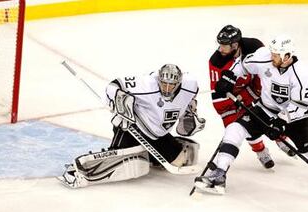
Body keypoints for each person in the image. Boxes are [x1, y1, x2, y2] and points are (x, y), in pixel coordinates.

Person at [195, 34, 308, 199]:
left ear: (287, 56)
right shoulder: (264, 57)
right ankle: (219, 174)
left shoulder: (303, 73)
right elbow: (243, 65)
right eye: (272, 52)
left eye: (276, 54)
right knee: (234, 129)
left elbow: (304, 104)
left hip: (296, 117)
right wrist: (229, 77)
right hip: (265, 109)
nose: (272, 56)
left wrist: (281, 122)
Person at [58, 64, 206, 188]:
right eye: (164, 83)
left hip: (157, 135)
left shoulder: (190, 84)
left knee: (182, 159)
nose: (167, 88)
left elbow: (191, 96)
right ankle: (77, 172)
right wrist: (120, 102)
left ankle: (147, 155)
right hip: (132, 128)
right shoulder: (146, 84)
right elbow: (114, 85)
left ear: (179, 83)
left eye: (171, 85)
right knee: (122, 163)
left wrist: (190, 112)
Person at [208, 25, 294, 170]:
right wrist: (232, 101)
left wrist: (249, 94)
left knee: (265, 116)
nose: (220, 49)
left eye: (224, 46)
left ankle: (281, 139)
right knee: (242, 126)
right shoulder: (217, 61)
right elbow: (217, 92)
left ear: (235, 45)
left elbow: (265, 71)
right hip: (229, 99)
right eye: (220, 45)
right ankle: (261, 151)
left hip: (255, 87)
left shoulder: (254, 47)